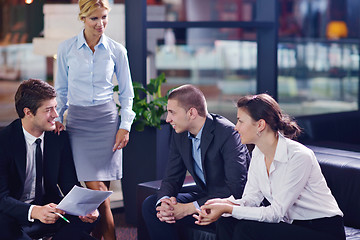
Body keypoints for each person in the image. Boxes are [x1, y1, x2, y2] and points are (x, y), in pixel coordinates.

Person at [194, 93, 346, 240]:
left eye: (240, 121)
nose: (236, 128)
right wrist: (223, 204)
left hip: (322, 230)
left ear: (260, 124)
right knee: (226, 221)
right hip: (292, 226)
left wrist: (229, 209)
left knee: (247, 229)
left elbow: (276, 213)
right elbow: (251, 199)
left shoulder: (299, 156)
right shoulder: (258, 154)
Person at [54, 0, 135, 239]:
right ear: (82, 18)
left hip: (107, 123)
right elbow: (61, 90)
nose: (101, 24)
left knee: (101, 198)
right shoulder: (66, 48)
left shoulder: (116, 50)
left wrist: (125, 126)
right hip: (78, 124)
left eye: (104, 17)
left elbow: (127, 93)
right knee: (100, 196)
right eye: (94, 18)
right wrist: (58, 118)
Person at [142, 84, 250, 240]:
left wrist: (187, 209)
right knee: (152, 206)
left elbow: (235, 188)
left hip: (227, 202)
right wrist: (165, 201)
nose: (168, 119)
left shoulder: (227, 133)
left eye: (172, 112)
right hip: (204, 196)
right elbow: (172, 178)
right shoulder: (179, 134)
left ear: (191, 113)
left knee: (224, 220)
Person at [0, 79, 99, 240]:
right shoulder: (4, 142)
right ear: (28, 112)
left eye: (55, 107)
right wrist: (34, 211)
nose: (56, 114)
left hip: (50, 208)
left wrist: (85, 207)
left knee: (90, 217)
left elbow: (69, 184)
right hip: (13, 212)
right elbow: (2, 198)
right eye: (48, 109)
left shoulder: (58, 138)